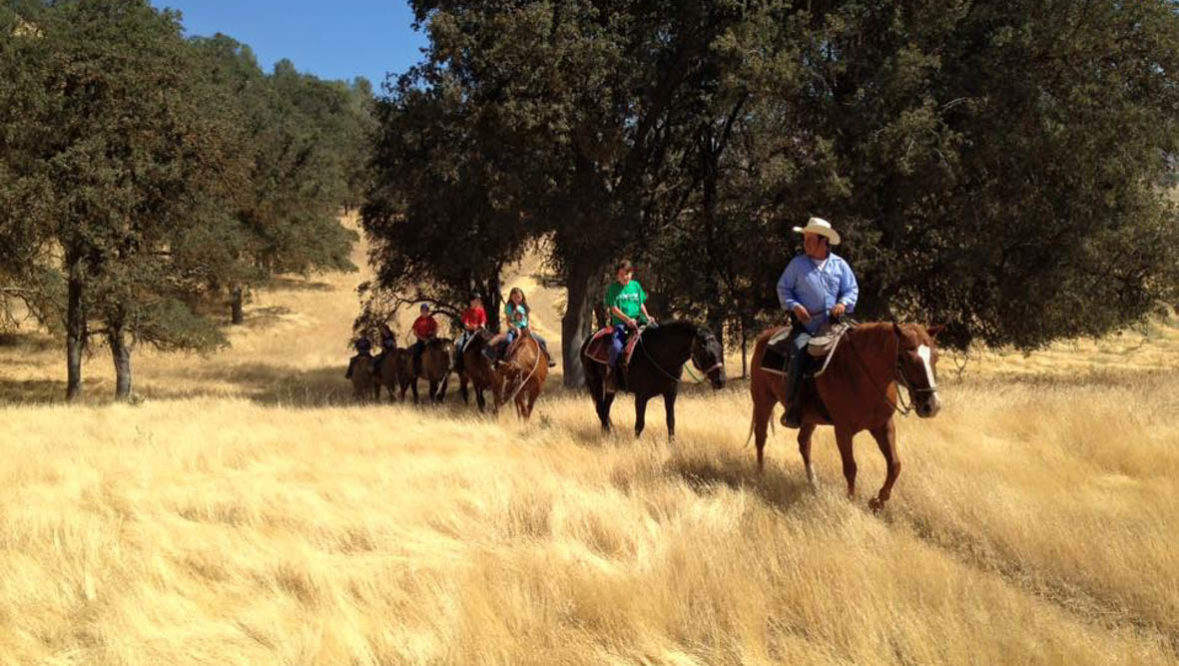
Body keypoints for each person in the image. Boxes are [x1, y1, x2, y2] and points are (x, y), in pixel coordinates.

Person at [775, 217, 859, 428]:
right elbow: (783, 288)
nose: (806, 244)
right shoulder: (797, 265)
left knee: (857, 350)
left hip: (834, 324)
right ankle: (793, 407)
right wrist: (795, 306)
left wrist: (843, 302)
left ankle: (855, 402)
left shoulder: (840, 265)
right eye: (805, 239)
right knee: (798, 350)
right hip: (808, 327)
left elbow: (851, 289)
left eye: (811, 239)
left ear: (824, 241)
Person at [603, 259, 656, 391]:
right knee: (616, 347)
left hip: (639, 320)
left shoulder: (636, 286)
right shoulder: (613, 289)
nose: (624, 277)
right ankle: (610, 374)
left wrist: (648, 316)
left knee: (657, 332)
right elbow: (614, 309)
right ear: (617, 275)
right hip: (621, 324)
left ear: (631, 274)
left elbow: (641, 304)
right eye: (621, 274)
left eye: (627, 274)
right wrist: (627, 320)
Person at [485, 287, 557, 367]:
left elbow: (527, 320)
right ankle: (498, 358)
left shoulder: (524, 306)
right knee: (508, 341)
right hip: (513, 329)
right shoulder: (509, 307)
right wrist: (515, 328)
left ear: (522, 296)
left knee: (541, 340)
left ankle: (547, 359)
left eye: (519, 297)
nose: (517, 299)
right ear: (511, 297)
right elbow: (508, 322)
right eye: (514, 297)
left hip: (524, 329)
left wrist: (528, 327)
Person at [454, 293, 487, 373]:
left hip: (480, 331)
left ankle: (493, 362)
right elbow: (466, 325)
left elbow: (483, 321)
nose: (478, 302)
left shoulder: (481, 310)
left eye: (479, 300)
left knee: (491, 342)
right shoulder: (467, 311)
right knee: (459, 345)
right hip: (470, 332)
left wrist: (481, 325)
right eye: (476, 300)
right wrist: (473, 327)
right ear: (471, 301)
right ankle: (459, 366)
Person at [410, 303, 438, 376]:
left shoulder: (431, 319)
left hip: (431, 339)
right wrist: (423, 339)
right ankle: (415, 370)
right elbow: (415, 332)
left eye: (426, 310)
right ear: (421, 311)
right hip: (421, 340)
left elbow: (436, 328)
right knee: (416, 353)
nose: (425, 312)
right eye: (423, 310)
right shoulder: (418, 320)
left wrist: (433, 336)